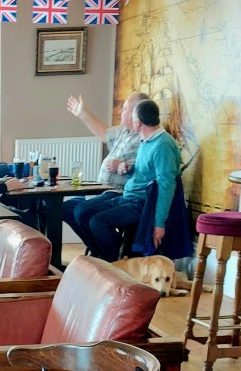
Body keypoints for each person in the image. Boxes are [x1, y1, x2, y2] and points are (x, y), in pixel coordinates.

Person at [73, 98, 181, 262]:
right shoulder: (146, 140)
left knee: (98, 222)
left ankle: (113, 264)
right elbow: (145, 171)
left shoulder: (163, 145)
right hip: (128, 197)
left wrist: (159, 224)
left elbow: (166, 186)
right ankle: (108, 258)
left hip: (142, 203)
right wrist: (129, 168)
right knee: (83, 213)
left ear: (138, 122)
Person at [63, 90, 149, 243]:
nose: (120, 111)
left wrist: (121, 165)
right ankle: (96, 248)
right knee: (65, 209)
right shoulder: (124, 131)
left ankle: (107, 252)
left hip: (117, 193)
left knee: (82, 212)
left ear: (135, 114)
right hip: (101, 191)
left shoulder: (142, 138)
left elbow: (142, 171)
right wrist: (83, 114)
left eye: (125, 108)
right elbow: (104, 134)